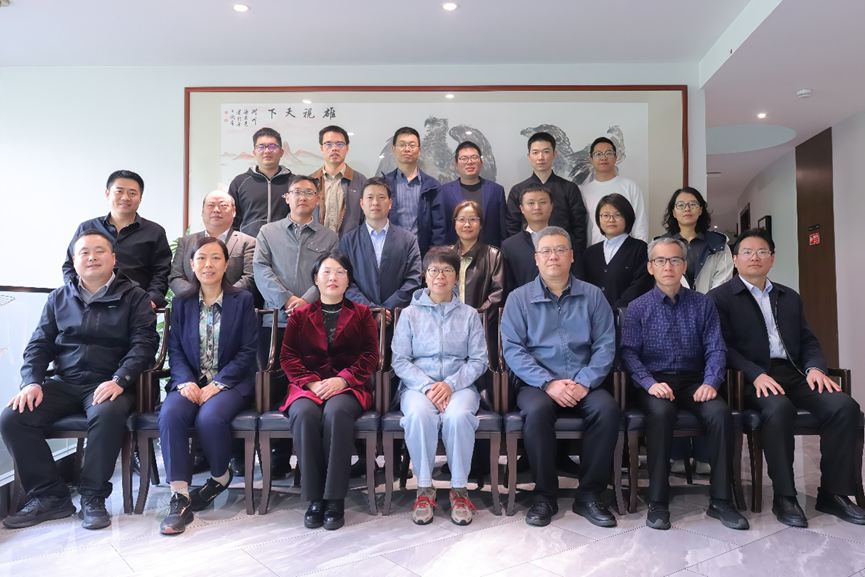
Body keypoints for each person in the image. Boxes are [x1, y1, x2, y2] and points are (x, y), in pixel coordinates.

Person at [2, 230, 159, 530]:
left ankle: (93, 496)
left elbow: (144, 344)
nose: (92, 257)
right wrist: (32, 382)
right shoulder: (59, 298)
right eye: (84, 252)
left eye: (99, 251)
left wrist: (120, 379)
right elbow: (39, 344)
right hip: (65, 382)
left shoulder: (135, 297)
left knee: (106, 412)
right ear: (74, 261)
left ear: (113, 258)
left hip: (111, 382)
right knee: (13, 417)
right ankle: (51, 496)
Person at [708, 228, 865, 527]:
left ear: (772, 259)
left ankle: (833, 494)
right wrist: (755, 374)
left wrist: (815, 368)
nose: (755, 257)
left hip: (793, 372)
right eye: (747, 252)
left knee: (844, 407)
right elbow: (723, 348)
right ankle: (785, 497)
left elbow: (808, 341)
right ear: (735, 260)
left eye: (762, 252)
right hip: (750, 378)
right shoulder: (720, 298)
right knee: (779, 409)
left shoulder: (788, 296)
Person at [620, 237, 748, 531]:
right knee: (661, 413)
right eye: (660, 261)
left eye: (675, 260)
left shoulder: (703, 304)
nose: (668, 266)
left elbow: (716, 348)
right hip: (655, 383)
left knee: (719, 413)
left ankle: (721, 500)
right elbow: (628, 353)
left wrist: (711, 381)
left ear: (684, 265)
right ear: (650, 267)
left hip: (695, 381)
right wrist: (648, 383)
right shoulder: (637, 308)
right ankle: (658, 500)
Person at [501, 226, 620, 528]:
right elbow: (513, 350)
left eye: (560, 250)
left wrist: (584, 382)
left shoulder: (593, 296)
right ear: (536, 258)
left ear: (571, 256)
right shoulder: (518, 299)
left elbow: (605, 345)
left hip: (585, 381)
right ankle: (544, 496)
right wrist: (548, 383)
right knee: (537, 411)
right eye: (546, 251)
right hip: (537, 383)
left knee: (607, 410)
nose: (553, 256)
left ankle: (589, 495)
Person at [158, 237, 259, 535]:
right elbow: (175, 349)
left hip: (231, 382)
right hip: (190, 380)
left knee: (209, 417)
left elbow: (247, 351)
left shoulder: (242, 300)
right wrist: (184, 381)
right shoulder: (181, 302)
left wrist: (219, 383)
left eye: (216, 258)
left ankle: (220, 476)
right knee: (170, 414)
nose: (208, 264)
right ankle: (179, 496)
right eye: (201, 258)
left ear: (226, 264)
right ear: (192, 264)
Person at [279, 252, 379, 531]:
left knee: (336, 413)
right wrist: (312, 383)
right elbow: (288, 356)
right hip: (307, 387)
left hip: (349, 387)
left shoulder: (362, 314)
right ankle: (314, 498)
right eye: (326, 272)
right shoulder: (300, 316)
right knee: (304, 414)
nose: (333, 277)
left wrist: (342, 381)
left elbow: (370, 355)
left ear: (348, 280)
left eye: (340, 272)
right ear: (316, 279)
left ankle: (334, 498)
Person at [392, 246, 488, 526]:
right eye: (434, 270)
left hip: (460, 387)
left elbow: (479, 360)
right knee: (418, 416)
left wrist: (450, 384)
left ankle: (459, 490)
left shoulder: (469, 314)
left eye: (447, 270)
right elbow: (400, 360)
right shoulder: (409, 314)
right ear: (425, 275)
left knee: (458, 417)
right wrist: (427, 387)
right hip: (418, 388)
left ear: (456, 276)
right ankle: (424, 489)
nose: (440, 276)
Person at [254, 174, 340, 477]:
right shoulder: (268, 232)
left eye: (309, 193)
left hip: (316, 322)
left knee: (313, 387)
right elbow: (260, 268)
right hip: (274, 323)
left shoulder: (329, 236)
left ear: (317, 199)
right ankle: (278, 457)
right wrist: (285, 300)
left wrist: (306, 301)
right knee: (277, 389)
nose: (302, 197)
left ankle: (308, 460)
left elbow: (330, 273)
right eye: (297, 192)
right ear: (287, 198)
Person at [660, 187, 733, 474]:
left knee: (707, 383)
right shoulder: (662, 244)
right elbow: (662, 279)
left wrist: (700, 308)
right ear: (673, 211)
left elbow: (723, 282)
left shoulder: (719, 244)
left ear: (701, 209)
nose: (687, 209)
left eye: (692, 204)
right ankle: (677, 455)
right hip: (672, 317)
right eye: (681, 205)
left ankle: (704, 456)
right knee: (675, 380)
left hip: (710, 317)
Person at [62, 170, 171, 308]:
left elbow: (161, 272)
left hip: (135, 306)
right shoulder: (87, 228)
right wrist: (77, 295)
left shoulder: (154, 231)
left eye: (132, 193)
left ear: (140, 198)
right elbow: (69, 265)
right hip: (90, 304)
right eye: (119, 191)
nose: (125, 197)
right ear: (107, 194)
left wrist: (151, 300)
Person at [339, 177, 423, 330]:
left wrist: (386, 310)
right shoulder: (348, 241)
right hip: (359, 321)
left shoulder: (408, 240)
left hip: (398, 321)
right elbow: (345, 282)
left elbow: (413, 280)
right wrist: (371, 310)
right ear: (361, 203)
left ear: (390, 203)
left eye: (381, 197)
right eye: (370, 197)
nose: (375, 202)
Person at [505, 132, 588, 270]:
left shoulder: (569, 188)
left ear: (554, 155)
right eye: (535, 152)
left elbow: (579, 226)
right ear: (529, 156)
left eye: (546, 152)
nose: (541, 157)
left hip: (562, 258)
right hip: (527, 259)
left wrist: (575, 256)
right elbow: (512, 227)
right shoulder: (518, 190)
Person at [169, 190, 256, 296]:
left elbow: (250, 277)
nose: (216, 210)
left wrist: (223, 297)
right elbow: (176, 276)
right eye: (210, 205)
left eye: (223, 205)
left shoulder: (248, 242)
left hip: (234, 303)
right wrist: (197, 297)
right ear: (202, 211)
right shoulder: (186, 242)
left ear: (233, 211)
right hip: (191, 302)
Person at [581, 193, 653, 308]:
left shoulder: (640, 249)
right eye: (605, 215)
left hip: (627, 314)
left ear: (627, 217)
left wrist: (616, 309)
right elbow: (583, 285)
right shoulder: (590, 253)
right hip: (593, 314)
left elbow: (641, 285)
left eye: (618, 215)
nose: (611, 220)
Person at [432, 141, 508, 249]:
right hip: (454, 254)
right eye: (464, 158)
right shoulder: (444, 192)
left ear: (481, 162)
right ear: (456, 165)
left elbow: (503, 230)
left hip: (489, 254)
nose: (469, 162)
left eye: (474, 157)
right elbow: (440, 229)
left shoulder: (496, 190)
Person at [381, 127, 441, 256]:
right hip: (390, 254)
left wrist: (432, 258)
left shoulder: (432, 186)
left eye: (412, 145)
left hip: (422, 255)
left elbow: (439, 227)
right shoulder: (383, 184)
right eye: (402, 145)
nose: (407, 149)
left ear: (419, 151)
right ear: (393, 149)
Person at [580, 137, 649, 245]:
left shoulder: (630, 186)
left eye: (608, 153)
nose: (603, 157)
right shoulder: (584, 191)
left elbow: (640, 224)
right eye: (598, 154)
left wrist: (640, 250)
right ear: (591, 160)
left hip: (627, 250)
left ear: (615, 158)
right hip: (594, 250)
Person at [229, 127, 293, 238]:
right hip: (249, 245)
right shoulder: (239, 182)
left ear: (281, 152)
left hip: (285, 245)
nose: (267, 151)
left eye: (273, 146)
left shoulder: (294, 183)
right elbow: (231, 219)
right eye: (261, 147)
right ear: (254, 152)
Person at [310, 125, 367, 237]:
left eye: (339, 144)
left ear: (347, 149)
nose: (334, 148)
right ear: (321, 149)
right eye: (328, 144)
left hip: (349, 245)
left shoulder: (361, 181)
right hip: (316, 245)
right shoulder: (310, 182)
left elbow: (367, 219)